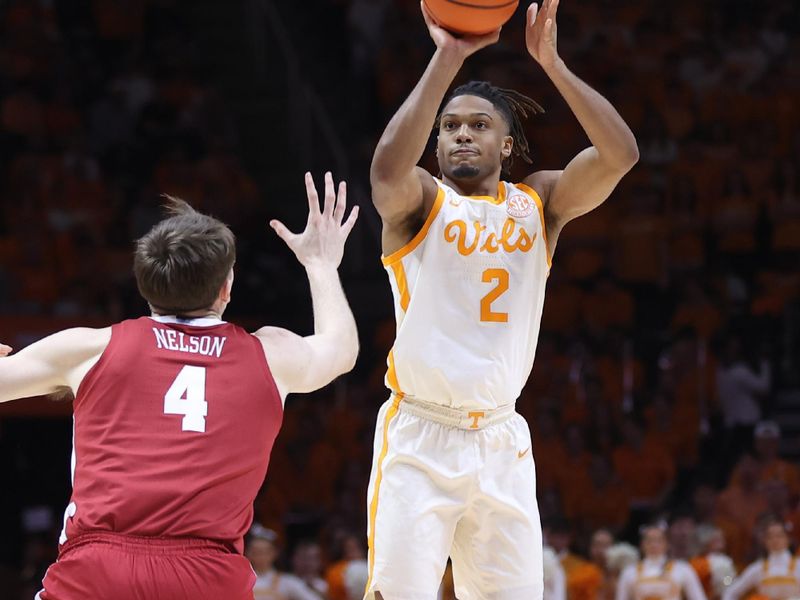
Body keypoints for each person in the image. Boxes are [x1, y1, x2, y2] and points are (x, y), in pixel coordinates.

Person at [365, 0, 639, 595]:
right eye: (450, 126)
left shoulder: (538, 203)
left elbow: (621, 156)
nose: (462, 132)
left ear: (508, 145)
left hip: (501, 440)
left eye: (479, 124)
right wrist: (447, 57)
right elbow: (385, 171)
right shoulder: (420, 203)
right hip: (420, 435)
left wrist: (554, 65)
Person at [0, 172, 359, 599]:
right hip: (208, 575)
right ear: (226, 287)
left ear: (144, 284)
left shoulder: (88, 348)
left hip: (99, 571)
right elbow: (340, 351)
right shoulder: (270, 354)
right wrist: (320, 265)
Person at [616, 523, 707, 600]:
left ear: (667, 544)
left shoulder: (683, 569)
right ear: (642, 544)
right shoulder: (629, 572)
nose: (654, 545)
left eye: (658, 540)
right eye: (649, 540)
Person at [722, 518, 800, 600]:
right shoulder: (758, 567)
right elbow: (730, 592)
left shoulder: (798, 565)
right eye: (770, 536)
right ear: (765, 541)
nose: (775, 540)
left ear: (788, 539)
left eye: (779, 535)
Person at [246, 524, 323, 600]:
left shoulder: (287, 582)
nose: (260, 556)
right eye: (255, 552)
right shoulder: (242, 581)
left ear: (274, 553)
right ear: (247, 553)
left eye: (264, 552)